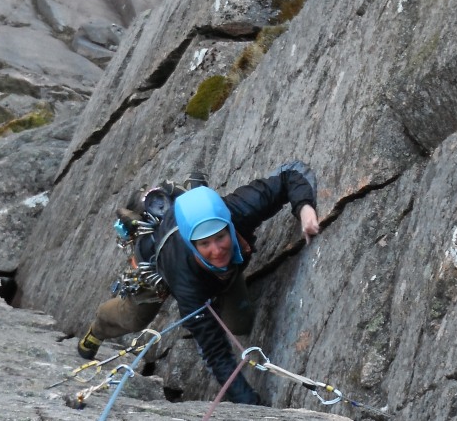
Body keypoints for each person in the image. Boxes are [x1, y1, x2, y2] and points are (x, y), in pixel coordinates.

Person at [77, 162, 319, 405]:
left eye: (221, 237)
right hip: (159, 265)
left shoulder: (237, 209)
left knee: (241, 323)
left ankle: (219, 285)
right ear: (193, 244)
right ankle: (97, 329)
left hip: (221, 274)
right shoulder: (186, 285)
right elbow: (216, 354)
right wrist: (250, 404)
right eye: (204, 244)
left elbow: (289, 176)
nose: (216, 250)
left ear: (228, 224)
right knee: (134, 318)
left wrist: (305, 208)